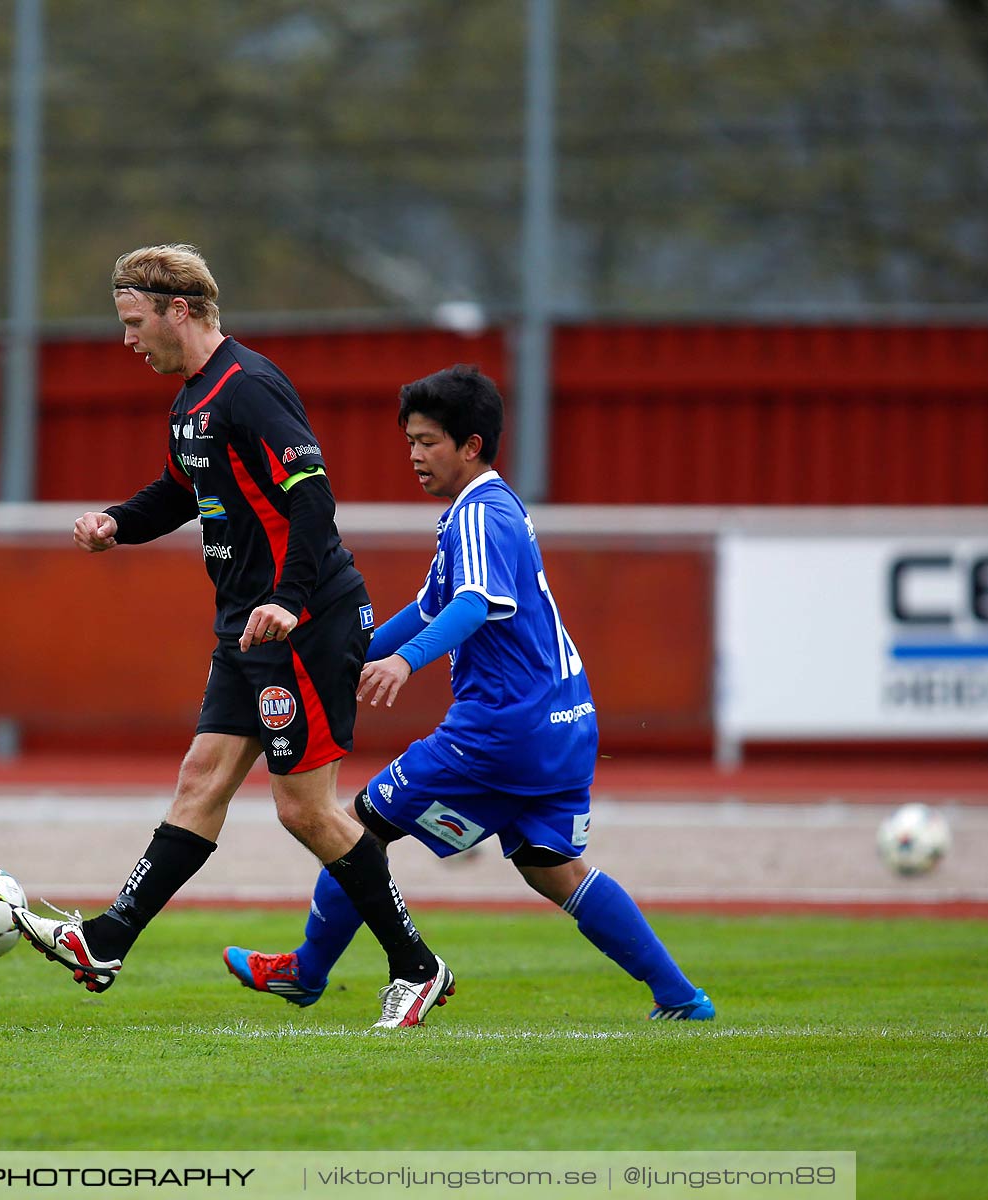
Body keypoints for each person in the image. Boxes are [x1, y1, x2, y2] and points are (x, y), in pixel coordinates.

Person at [10, 244, 453, 1028]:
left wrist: (287, 599)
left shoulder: (249, 390)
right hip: (246, 627)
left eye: (133, 321)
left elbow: (313, 501)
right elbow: (183, 493)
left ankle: (416, 965)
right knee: (201, 781)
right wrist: (118, 521)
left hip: (303, 623)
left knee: (305, 811)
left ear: (179, 310)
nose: (127, 339)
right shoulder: (190, 404)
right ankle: (107, 940)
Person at [223, 365, 715, 1021]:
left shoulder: (479, 514)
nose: (415, 456)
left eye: (428, 442)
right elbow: (431, 608)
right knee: (553, 870)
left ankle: (307, 971)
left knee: (357, 827)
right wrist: (343, 659)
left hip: (500, 730)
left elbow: (474, 604)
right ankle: (682, 998)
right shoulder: (482, 511)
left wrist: (405, 665)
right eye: (410, 443)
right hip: (563, 720)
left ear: (471, 445)